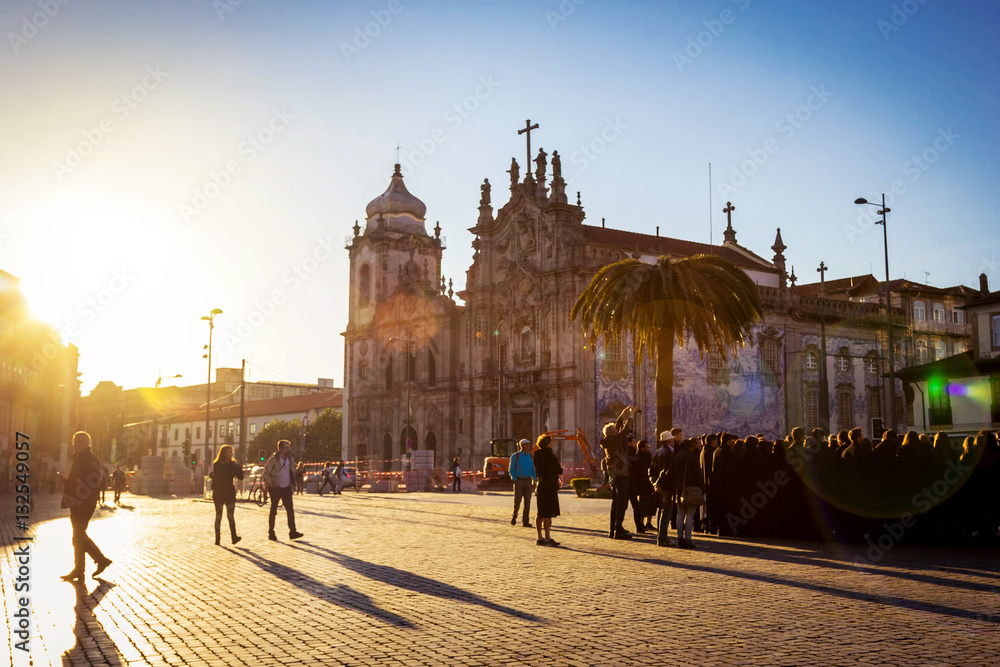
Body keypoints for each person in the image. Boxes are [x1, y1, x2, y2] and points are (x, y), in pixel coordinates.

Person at [58, 431, 112, 581]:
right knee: (78, 536)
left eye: (80, 441)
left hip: (82, 503)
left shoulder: (88, 459)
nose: (76, 444)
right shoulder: (82, 458)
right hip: (78, 501)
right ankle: (80, 570)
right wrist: (67, 481)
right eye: (75, 441)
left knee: (79, 535)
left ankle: (100, 560)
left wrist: (81, 500)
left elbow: (92, 483)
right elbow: (79, 481)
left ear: (88, 444)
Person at [600, 405, 636, 539]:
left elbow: (619, 426)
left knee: (615, 503)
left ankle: (613, 529)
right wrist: (631, 415)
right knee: (622, 503)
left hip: (614, 475)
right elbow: (625, 429)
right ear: (612, 432)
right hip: (620, 474)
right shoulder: (615, 440)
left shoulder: (610, 440)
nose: (616, 428)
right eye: (614, 429)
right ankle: (618, 530)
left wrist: (623, 413)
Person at [262, 440, 303, 541]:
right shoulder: (273, 460)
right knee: (273, 510)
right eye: (286, 447)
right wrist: (270, 484)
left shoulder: (290, 459)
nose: (288, 449)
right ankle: (271, 532)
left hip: (286, 488)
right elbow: (265, 474)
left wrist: (292, 483)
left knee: (290, 510)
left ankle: (292, 531)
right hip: (275, 488)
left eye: (289, 447)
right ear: (280, 449)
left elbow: (292, 472)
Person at [669, 438, 704, 549]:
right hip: (691, 489)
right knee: (690, 514)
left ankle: (680, 537)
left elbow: (672, 474)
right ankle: (688, 538)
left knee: (680, 513)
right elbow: (698, 474)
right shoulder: (692, 458)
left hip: (679, 489)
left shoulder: (676, 457)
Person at [210, 445, 243, 546]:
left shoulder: (232, 465)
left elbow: (240, 477)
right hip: (220, 493)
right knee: (219, 516)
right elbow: (217, 479)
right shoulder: (217, 465)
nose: (231, 454)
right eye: (229, 452)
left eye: (231, 452)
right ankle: (217, 538)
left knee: (230, 515)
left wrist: (238, 466)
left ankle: (234, 537)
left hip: (229, 493)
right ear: (224, 453)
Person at [533, 434, 562, 546]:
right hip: (550, 485)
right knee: (548, 513)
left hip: (540, 484)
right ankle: (548, 538)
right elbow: (559, 471)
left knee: (540, 512)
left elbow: (537, 469)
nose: (552, 444)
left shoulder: (536, 454)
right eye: (550, 442)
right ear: (547, 444)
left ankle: (539, 537)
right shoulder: (551, 456)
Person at [649, 430, 677, 547]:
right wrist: (659, 484)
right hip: (666, 487)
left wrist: (654, 483)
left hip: (659, 487)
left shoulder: (657, 452)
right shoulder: (669, 454)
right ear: (670, 441)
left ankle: (661, 536)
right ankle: (662, 538)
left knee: (661, 511)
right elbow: (666, 471)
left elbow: (650, 470)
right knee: (666, 512)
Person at [509, 438, 536, 527]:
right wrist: (514, 478)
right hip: (519, 481)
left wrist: (534, 479)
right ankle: (514, 516)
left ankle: (525, 521)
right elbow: (511, 469)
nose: (528, 446)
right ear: (522, 446)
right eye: (526, 445)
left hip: (528, 480)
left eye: (529, 444)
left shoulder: (530, 456)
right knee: (517, 501)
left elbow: (532, 469)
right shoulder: (515, 456)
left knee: (527, 502)